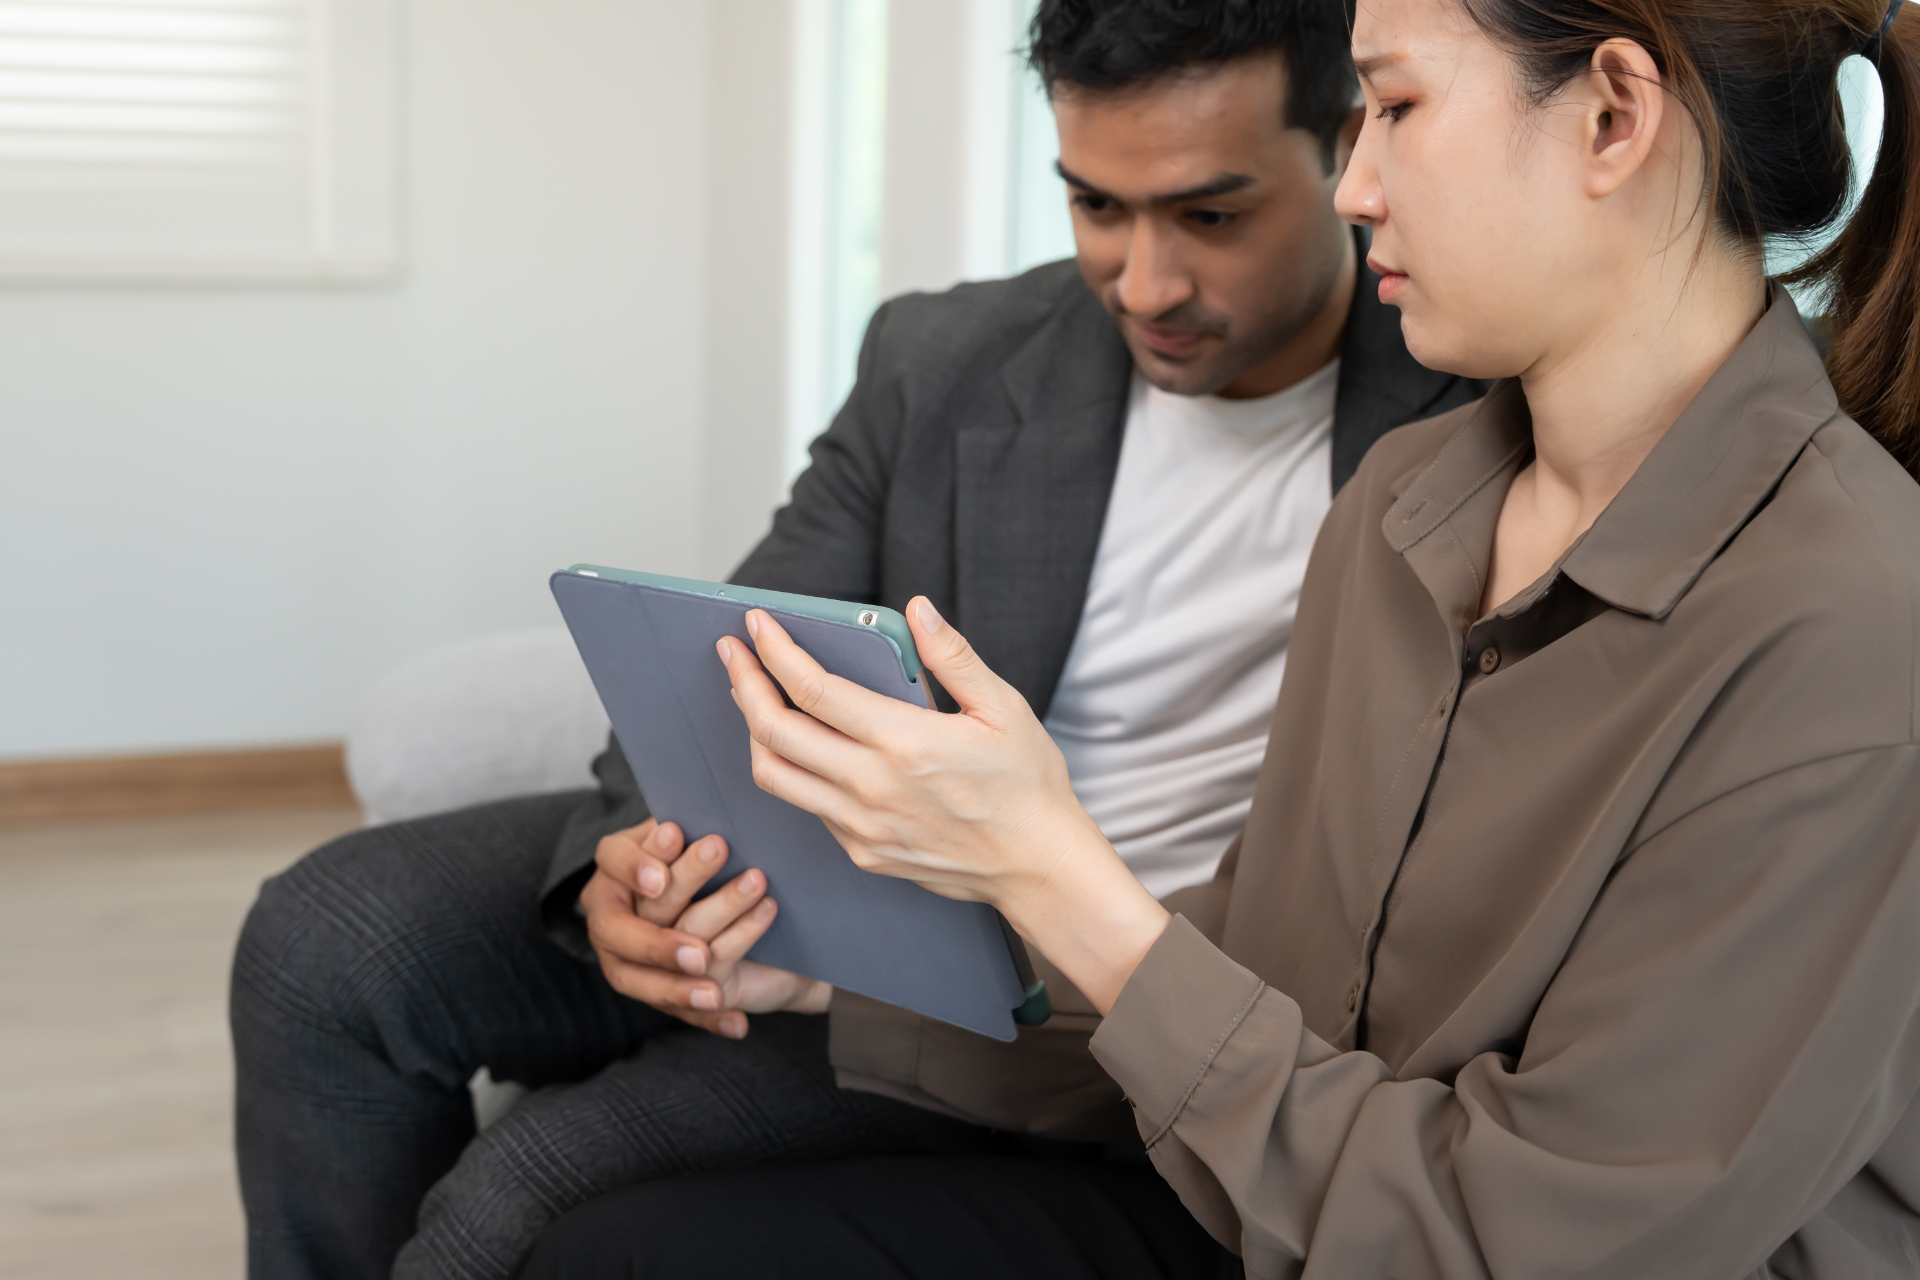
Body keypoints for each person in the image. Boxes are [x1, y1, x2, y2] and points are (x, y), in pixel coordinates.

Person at [515, 0, 1920, 1276]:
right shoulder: (1403, 508)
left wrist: (1048, 863)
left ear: (1615, 114)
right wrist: (832, 974)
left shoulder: (1850, 627)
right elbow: (1256, 986)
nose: (1357, 183)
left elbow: (1525, 1237)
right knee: (612, 1252)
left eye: (1399, 106)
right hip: (1274, 1209)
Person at [228, 2, 1486, 1276]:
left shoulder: (1472, 402)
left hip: (1063, 993)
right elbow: (728, 648)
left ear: (1348, 149)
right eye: (1097, 207)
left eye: (1210, 217)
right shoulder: (946, 354)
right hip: (838, 881)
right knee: (328, 935)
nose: (1146, 281)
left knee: (522, 1196)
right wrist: (635, 869)